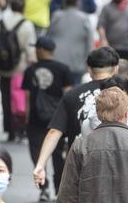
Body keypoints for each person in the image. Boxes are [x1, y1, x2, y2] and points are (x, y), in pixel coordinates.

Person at [32, 46, 119, 187]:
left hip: (80, 166)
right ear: (116, 69)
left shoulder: (72, 95)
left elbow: (55, 131)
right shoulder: (126, 97)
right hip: (118, 165)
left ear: (89, 70)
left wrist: (40, 164)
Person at [22, 36, 72, 201]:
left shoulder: (30, 70)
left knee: (37, 153)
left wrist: (27, 118)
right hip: (58, 118)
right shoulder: (63, 69)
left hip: (36, 118)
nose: (35, 50)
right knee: (58, 154)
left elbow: (28, 96)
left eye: (37, 48)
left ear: (41, 50)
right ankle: (59, 188)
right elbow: (68, 95)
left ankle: (44, 188)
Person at [0, 0, 37, 142]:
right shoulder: (26, 25)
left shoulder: (1, 21)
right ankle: (19, 127)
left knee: (5, 98)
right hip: (20, 68)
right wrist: (33, 63)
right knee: (19, 99)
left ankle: (8, 129)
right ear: (23, 8)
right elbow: (30, 48)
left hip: (3, 68)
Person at [48, 0, 94, 86]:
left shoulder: (56, 16)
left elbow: (49, 38)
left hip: (57, 61)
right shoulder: (84, 19)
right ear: (78, 2)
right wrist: (89, 63)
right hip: (77, 63)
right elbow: (90, 43)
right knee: (74, 94)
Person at [98, 0, 128, 73]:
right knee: (113, 73)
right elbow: (101, 25)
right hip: (113, 47)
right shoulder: (106, 8)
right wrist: (103, 40)